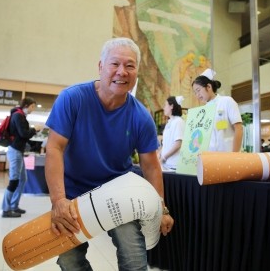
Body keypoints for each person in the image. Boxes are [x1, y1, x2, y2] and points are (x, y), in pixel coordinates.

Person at [44, 37, 174, 270]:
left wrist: (162, 209)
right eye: (115, 64)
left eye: (130, 66)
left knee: (134, 257)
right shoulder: (73, 98)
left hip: (118, 195)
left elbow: (151, 166)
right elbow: (54, 148)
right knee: (69, 259)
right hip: (72, 192)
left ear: (136, 72)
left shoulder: (141, 117)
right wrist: (58, 201)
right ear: (101, 66)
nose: (122, 72)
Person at [1, 97, 38, 217]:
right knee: (14, 180)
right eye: (32, 106)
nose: (33, 109)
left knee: (22, 180)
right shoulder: (18, 116)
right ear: (26, 105)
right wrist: (35, 129)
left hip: (18, 151)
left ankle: (14, 205)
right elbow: (24, 134)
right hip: (15, 151)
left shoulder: (20, 116)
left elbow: (22, 136)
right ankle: (6, 209)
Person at [192, 69, 244, 152]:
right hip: (210, 157)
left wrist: (235, 154)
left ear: (209, 87)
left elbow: (239, 128)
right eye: (195, 92)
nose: (197, 95)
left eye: (198, 90)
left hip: (228, 155)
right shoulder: (203, 111)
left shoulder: (227, 101)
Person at [159, 96, 185, 170]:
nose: (163, 108)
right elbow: (165, 144)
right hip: (166, 164)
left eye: (165, 105)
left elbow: (178, 144)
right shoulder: (170, 122)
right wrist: (159, 154)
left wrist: (164, 157)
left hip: (174, 165)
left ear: (171, 106)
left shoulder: (179, 121)